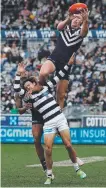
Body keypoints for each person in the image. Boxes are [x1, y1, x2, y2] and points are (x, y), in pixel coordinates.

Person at [14, 54, 86, 185]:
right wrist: (18, 75)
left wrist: (69, 64)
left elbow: (58, 77)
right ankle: (47, 172)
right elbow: (17, 91)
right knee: (43, 144)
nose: (28, 88)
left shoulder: (45, 86)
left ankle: (76, 164)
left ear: (35, 82)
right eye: (26, 87)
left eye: (29, 85)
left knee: (68, 144)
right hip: (46, 119)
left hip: (57, 117)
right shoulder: (27, 96)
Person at [39, 8, 89, 109]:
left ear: (81, 22)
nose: (75, 20)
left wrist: (86, 20)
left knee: (61, 95)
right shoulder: (65, 27)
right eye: (74, 18)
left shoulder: (80, 32)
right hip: (54, 57)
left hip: (66, 64)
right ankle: (40, 93)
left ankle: (59, 118)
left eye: (78, 18)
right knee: (43, 73)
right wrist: (68, 18)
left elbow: (84, 32)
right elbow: (58, 27)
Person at [14, 73, 48, 175]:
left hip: (48, 112)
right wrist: (25, 107)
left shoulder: (38, 85)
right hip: (37, 115)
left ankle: (74, 158)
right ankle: (44, 165)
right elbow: (19, 110)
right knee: (36, 138)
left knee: (63, 136)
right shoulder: (19, 94)